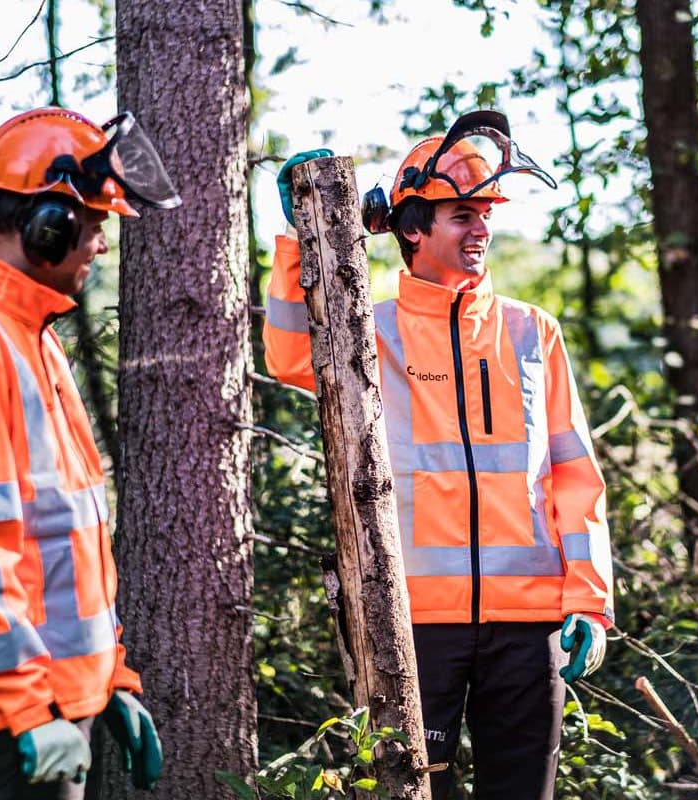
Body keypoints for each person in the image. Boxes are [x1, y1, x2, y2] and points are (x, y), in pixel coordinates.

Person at [261, 110, 615, 799]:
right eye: (463, 214)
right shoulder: (371, 329)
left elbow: (573, 475)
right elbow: (288, 354)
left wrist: (590, 600)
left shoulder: (530, 330)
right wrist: (296, 241)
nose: (481, 227)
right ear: (412, 227)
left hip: (528, 625)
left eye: (485, 213)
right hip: (413, 626)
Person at [0, 107, 179, 798]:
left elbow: (61, 537)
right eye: (94, 225)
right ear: (45, 226)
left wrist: (107, 675)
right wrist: (29, 708)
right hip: (15, 716)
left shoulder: (31, 337)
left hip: (59, 695)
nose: (100, 246)